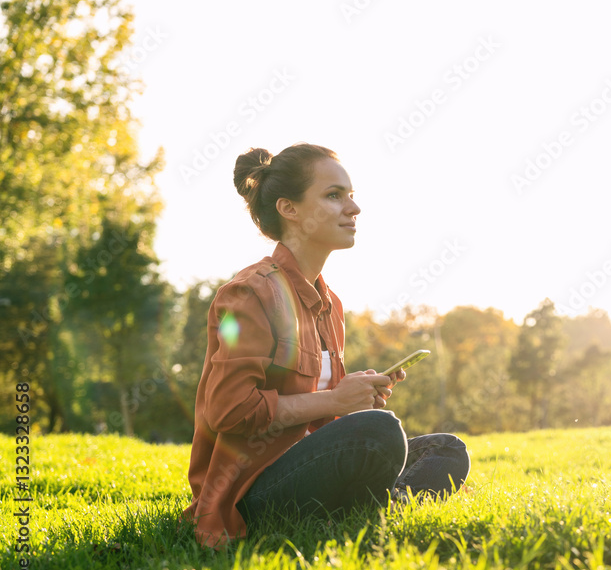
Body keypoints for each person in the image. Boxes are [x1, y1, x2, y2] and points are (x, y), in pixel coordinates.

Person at [181, 143, 470, 549]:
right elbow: (228, 410)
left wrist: (351, 395)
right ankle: (387, 506)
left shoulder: (330, 305)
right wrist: (335, 402)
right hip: (250, 495)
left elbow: (317, 415)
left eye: (350, 195)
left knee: (446, 450)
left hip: (306, 468)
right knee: (379, 432)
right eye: (334, 195)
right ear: (290, 209)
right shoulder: (247, 295)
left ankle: (381, 505)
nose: (353, 208)